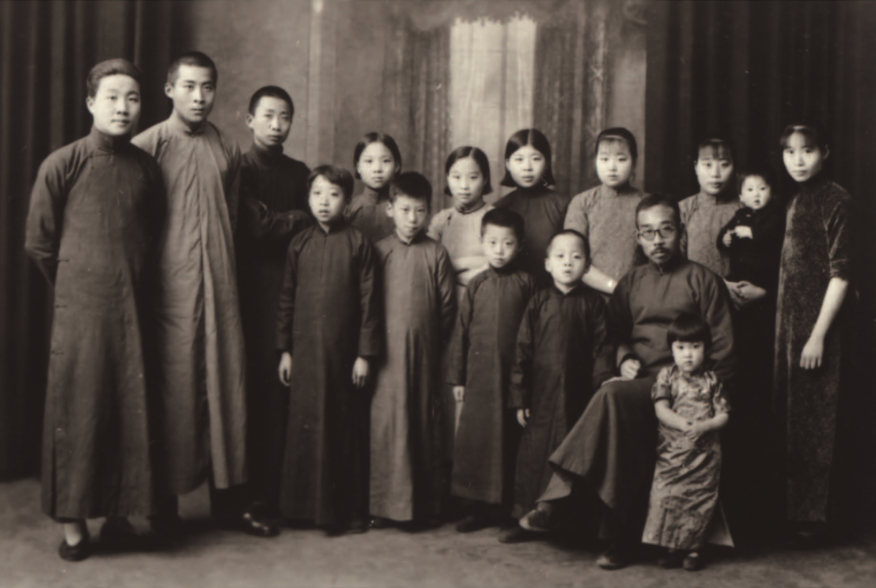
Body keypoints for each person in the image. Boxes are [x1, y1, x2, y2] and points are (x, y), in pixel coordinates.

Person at [518, 195, 736, 570]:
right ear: (637, 237)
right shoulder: (632, 282)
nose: (657, 240)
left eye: (666, 230)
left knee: (612, 399)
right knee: (613, 396)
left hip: (686, 389)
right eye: (648, 232)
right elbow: (613, 335)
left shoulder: (703, 280)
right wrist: (624, 358)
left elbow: (725, 350)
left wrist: (703, 398)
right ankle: (615, 537)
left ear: (681, 232)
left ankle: (560, 500)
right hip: (644, 384)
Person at [25, 58, 165, 562]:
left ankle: (119, 516)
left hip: (131, 311)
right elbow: (40, 243)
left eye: (132, 98)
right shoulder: (62, 163)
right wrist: (79, 287)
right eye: (111, 97)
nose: (122, 107)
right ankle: (73, 526)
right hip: (80, 314)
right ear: (90, 103)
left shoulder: (147, 168)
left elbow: (151, 234)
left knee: (126, 409)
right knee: (79, 412)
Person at [132, 51, 268, 537]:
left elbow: (233, 222)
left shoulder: (227, 149)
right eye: (188, 86)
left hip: (221, 287)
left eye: (207, 87)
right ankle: (163, 512)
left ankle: (229, 506)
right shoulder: (146, 147)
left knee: (227, 389)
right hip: (168, 294)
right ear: (169, 89)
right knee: (172, 393)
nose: (199, 97)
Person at [276, 165, 380, 534]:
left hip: (343, 355)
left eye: (334, 195)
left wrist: (364, 355)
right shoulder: (299, 243)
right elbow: (286, 299)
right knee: (305, 427)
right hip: (304, 354)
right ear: (307, 199)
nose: (324, 202)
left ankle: (340, 510)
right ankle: (301, 509)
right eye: (317, 194)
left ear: (347, 202)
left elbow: (370, 303)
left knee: (341, 429)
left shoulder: (358, 243)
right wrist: (285, 350)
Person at [502, 230, 614, 544]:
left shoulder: (594, 304)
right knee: (534, 457)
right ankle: (526, 517)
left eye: (576, 257)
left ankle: (567, 525)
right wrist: (520, 397)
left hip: (579, 397)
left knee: (572, 457)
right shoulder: (538, 302)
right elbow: (522, 351)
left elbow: (603, 350)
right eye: (560, 257)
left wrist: (598, 392)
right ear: (548, 264)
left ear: (587, 265)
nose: (568, 263)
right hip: (541, 396)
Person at [774, 122, 855, 544]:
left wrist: (818, 335)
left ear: (824, 152)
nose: (798, 160)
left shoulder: (836, 199)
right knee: (792, 420)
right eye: (790, 152)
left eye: (807, 151)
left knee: (817, 422)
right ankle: (791, 514)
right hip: (789, 329)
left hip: (819, 331)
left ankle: (813, 519)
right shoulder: (795, 199)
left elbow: (842, 274)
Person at [236, 86, 312, 525]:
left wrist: (280, 221)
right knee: (254, 393)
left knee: (283, 394)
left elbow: (309, 228)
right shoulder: (239, 169)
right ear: (249, 120)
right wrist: (293, 218)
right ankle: (252, 496)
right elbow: (258, 228)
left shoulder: (300, 173)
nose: (276, 125)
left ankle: (283, 493)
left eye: (284, 117)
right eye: (267, 116)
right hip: (249, 294)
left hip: (292, 290)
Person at [369, 173, 456, 529]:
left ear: (428, 212)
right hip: (385, 358)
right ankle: (383, 506)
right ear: (390, 209)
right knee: (386, 426)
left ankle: (422, 508)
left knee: (422, 423)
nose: (412, 218)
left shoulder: (436, 253)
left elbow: (447, 308)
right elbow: (368, 305)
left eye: (420, 210)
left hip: (423, 354)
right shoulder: (379, 251)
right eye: (405, 210)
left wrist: (428, 342)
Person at [447, 208, 538, 533]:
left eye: (508, 243)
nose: (499, 250)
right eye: (492, 242)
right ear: (482, 242)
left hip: (513, 378)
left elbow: (535, 333)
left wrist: (528, 381)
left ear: (520, 245)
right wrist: (458, 377)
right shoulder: (477, 284)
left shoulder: (527, 283)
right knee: (477, 441)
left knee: (510, 440)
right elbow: (462, 331)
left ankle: (507, 509)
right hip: (479, 377)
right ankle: (477, 507)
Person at [716, 164, 785, 537]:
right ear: (740, 195)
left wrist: (750, 232)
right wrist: (727, 238)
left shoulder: (773, 216)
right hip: (738, 288)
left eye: (762, 189)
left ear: (771, 192)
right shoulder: (739, 215)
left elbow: (774, 239)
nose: (756, 195)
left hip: (766, 287)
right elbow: (722, 239)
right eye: (750, 190)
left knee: (760, 369)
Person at [643, 313, 732, 572]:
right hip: (672, 452)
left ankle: (694, 549)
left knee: (698, 499)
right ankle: (671, 547)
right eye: (681, 348)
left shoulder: (712, 380)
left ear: (707, 348)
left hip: (704, 454)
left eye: (695, 347)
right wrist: (683, 424)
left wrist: (704, 426)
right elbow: (661, 409)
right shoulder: (666, 376)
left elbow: (724, 415)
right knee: (667, 496)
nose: (688, 355)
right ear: (671, 349)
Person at [564, 128, 646, 296]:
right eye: (604, 159)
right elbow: (573, 258)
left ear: (634, 162)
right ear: (595, 161)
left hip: (638, 295)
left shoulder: (647, 204)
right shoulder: (582, 203)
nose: (612, 167)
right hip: (590, 298)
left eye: (621, 159)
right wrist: (616, 288)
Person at [494, 129, 568, 287]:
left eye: (535, 159)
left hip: (552, 291)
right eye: (519, 159)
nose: (527, 167)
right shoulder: (498, 209)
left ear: (546, 163)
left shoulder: (563, 205)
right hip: (510, 290)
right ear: (508, 164)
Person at [680, 137, 747, 306]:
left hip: (737, 299)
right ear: (696, 167)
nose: (715, 174)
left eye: (724, 165)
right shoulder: (683, 209)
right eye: (707, 165)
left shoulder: (745, 209)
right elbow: (676, 263)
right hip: (692, 298)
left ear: (734, 167)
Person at [427, 146, 495, 303]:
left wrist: (452, 267)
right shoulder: (441, 220)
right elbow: (430, 264)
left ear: (485, 178)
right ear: (447, 178)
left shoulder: (495, 218)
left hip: (484, 299)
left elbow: (496, 265)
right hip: (446, 301)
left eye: (473, 177)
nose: (464, 185)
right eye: (456, 177)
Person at [345, 132, 402, 244]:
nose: (377, 169)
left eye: (385, 161)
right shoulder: (350, 209)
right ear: (358, 167)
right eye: (369, 161)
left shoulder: (403, 208)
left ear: (396, 166)